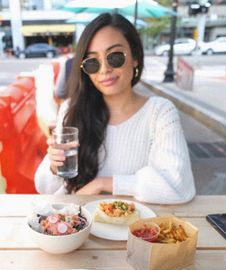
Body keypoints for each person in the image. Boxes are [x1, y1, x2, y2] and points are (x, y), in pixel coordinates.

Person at [35, 13, 196, 204]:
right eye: (92, 62)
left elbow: (178, 186)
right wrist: (54, 167)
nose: (104, 70)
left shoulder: (160, 113)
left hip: (136, 230)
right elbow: (43, 187)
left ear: (135, 57)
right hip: (81, 228)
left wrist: (103, 184)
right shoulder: (73, 109)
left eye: (115, 57)